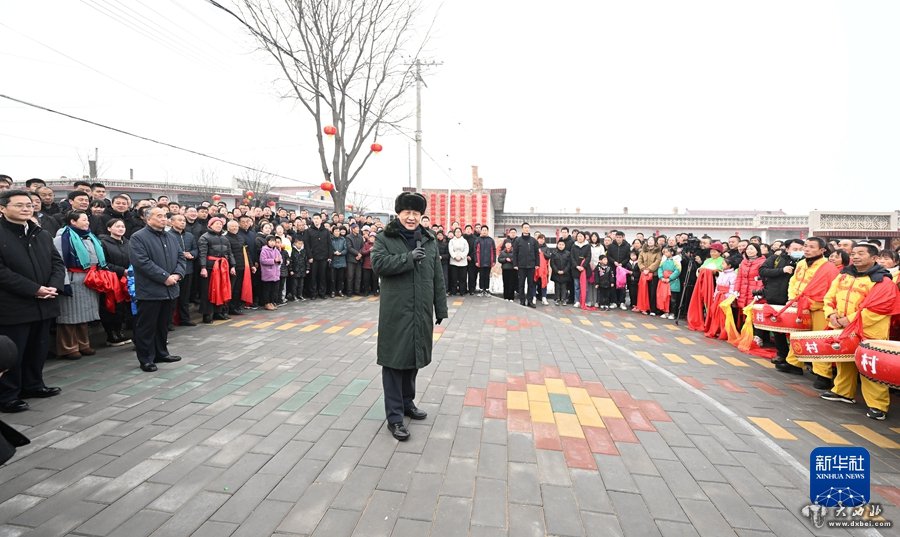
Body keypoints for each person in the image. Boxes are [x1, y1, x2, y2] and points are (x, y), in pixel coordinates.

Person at [371, 192, 447, 441]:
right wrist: (407, 259)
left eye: (416, 213)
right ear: (399, 214)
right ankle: (394, 418)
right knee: (394, 363)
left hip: (421, 310)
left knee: (413, 359)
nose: (412, 217)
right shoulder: (385, 238)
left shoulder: (428, 239)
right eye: (407, 213)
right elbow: (379, 264)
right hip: (396, 312)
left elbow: (437, 275)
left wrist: (440, 307)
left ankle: (407, 403)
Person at [0, 190, 65, 412]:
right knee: (13, 351)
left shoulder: (41, 233)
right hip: (13, 305)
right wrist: (34, 289)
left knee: (38, 348)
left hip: (44, 302)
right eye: (19, 205)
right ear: (2, 208)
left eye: (28, 205)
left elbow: (57, 263)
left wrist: (53, 286)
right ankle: (8, 395)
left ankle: (34, 384)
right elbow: (2, 273)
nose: (26, 209)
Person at [821, 243, 900, 420]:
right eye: (854, 253)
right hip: (842, 326)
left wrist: (847, 320)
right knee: (844, 360)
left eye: (861, 253)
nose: (855, 256)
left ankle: (878, 405)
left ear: (874, 258)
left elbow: (877, 310)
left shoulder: (883, 281)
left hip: (869, 332)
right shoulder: (843, 275)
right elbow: (829, 297)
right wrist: (831, 314)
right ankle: (843, 392)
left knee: (870, 366)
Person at [774, 237, 840, 389]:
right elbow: (794, 281)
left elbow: (831, 291)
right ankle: (794, 363)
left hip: (818, 307)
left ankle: (823, 374)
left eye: (811, 247)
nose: (807, 249)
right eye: (806, 246)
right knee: (797, 335)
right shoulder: (802, 263)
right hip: (799, 305)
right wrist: (792, 298)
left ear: (822, 250)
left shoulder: (829, 268)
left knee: (818, 340)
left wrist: (812, 303)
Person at [129, 207, 185, 372]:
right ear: (148, 219)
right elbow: (141, 262)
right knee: (147, 326)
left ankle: (161, 353)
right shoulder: (138, 237)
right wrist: (164, 277)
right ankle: (146, 358)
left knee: (163, 324)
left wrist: (177, 274)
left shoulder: (171, 237)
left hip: (171, 288)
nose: (163, 219)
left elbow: (181, 257)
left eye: (165, 216)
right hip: (150, 290)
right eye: (159, 216)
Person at [52, 211, 105, 359]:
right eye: (84, 219)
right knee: (69, 316)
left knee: (84, 315)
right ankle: (68, 347)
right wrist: (64, 283)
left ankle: (84, 344)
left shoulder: (89, 237)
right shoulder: (61, 238)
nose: (87, 222)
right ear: (73, 222)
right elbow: (58, 263)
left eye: (87, 219)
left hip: (89, 279)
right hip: (73, 278)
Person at [758, 239, 802, 362]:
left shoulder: (804, 262)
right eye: (795, 249)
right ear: (787, 249)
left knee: (796, 329)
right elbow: (762, 271)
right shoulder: (776, 258)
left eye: (800, 249)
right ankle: (782, 354)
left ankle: (797, 358)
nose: (798, 252)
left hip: (795, 300)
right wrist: (781, 270)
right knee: (777, 329)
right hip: (776, 297)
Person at [99, 218, 132, 346]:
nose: (120, 228)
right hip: (111, 279)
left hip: (127, 279)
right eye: (117, 226)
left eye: (122, 226)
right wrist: (121, 270)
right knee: (111, 306)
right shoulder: (103, 243)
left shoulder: (128, 243)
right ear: (109, 229)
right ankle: (111, 334)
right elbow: (103, 263)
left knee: (123, 307)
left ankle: (119, 332)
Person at [198, 217, 236, 323]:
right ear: (210, 225)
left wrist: (232, 265)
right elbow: (202, 254)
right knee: (208, 290)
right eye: (216, 224)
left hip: (222, 268)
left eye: (220, 224)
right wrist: (203, 267)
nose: (219, 225)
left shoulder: (225, 239)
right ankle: (207, 314)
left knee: (221, 289)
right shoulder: (204, 237)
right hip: (210, 268)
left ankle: (218, 312)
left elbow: (229, 253)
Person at [169, 214, 198, 326]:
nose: (182, 222)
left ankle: (185, 319)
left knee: (185, 297)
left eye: (184, 221)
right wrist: (181, 254)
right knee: (173, 298)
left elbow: (196, 249)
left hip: (188, 269)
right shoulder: (168, 235)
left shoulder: (189, 236)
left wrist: (192, 254)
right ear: (172, 222)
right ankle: (169, 322)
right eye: (179, 220)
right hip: (174, 270)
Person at [224, 220, 249, 314]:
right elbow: (228, 254)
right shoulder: (226, 238)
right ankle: (229, 308)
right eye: (232, 226)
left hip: (242, 265)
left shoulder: (241, 237)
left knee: (238, 288)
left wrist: (250, 265)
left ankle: (236, 306)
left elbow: (246, 252)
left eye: (236, 226)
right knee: (232, 288)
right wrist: (232, 266)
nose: (235, 228)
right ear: (228, 228)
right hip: (232, 267)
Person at [305, 213, 331, 299]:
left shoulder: (326, 231)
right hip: (313, 257)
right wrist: (310, 256)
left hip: (324, 257)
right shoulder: (308, 231)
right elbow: (307, 245)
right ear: (312, 220)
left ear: (321, 220)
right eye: (314, 218)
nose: (316, 220)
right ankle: (313, 293)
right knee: (313, 276)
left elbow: (329, 244)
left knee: (322, 276)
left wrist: (329, 256)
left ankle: (322, 293)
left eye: (317, 218)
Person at [258, 235, 283, 310]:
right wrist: (273, 261)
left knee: (274, 289)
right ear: (267, 242)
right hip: (267, 273)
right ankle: (267, 303)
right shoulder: (264, 250)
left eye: (274, 241)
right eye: (270, 241)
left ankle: (272, 302)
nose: (272, 243)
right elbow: (262, 260)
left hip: (275, 273)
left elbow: (280, 259)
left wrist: (279, 261)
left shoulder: (276, 250)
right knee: (267, 289)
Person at [657, 247, 681, 319]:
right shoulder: (663, 261)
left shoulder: (676, 261)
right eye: (664, 252)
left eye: (667, 252)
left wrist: (670, 278)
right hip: (664, 281)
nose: (665, 253)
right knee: (665, 298)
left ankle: (672, 313)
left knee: (673, 299)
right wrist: (661, 277)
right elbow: (660, 269)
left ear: (672, 253)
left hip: (673, 282)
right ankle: (666, 312)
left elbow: (678, 271)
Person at [474, 225, 496, 297]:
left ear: (487, 231)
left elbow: (494, 251)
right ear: (481, 231)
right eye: (483, 230)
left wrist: (494, 261)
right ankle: (481, 289)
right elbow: (475, 251)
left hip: (489, 261)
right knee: (481, 276)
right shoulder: (477, 240)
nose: (484, 231)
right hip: (480, 261)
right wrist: (476, 261)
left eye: (485, 230)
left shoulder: (491, 240)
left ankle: (486, 289)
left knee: (487, 276)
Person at [550, 240, 572, 306]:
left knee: (564, 287)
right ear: (557, 245)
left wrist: (564, 271)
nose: (561, 246)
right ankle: (557, 299)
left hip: (565, 273)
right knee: (557, 286)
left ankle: (563, 299)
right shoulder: (554, 253)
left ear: (564, 245)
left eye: (562, 244)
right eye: (559, 244)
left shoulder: (568, 253)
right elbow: (552, 263)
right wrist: (557, 270)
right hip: (556, 273)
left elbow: (569, 264)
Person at [448, 228, 469, 296]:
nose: (458, 233)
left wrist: (461, 257)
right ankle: (453, 291)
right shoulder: (451, 241)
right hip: (454, 262)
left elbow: (466, 250)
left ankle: (462, 291)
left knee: (462, 278)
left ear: (461, 233)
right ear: (454, 233)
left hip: (463, 262)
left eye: (459, 232)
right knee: (454, 278)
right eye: (456, 232)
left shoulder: (464, 241)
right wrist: (454, 257)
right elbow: (450, 250)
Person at [329, 225, 348, 298]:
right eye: (335, 231)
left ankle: (340, 291)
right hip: (333, 260)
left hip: (342, 260)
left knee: (341, 278)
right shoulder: (331, 239)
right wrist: (334, 252)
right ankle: (333, 291)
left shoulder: (343, 239)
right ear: (333, 232)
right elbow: (329, 248)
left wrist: (341, 253)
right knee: (333, 278)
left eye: (338, 231)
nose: (337, 232)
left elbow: (346, 249)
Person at [345, 223, 364, 296]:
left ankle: (357, 291)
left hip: (359, 259)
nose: (358, 229)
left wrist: (359, 254)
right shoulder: (348, 237)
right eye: (356, 228)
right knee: (350, 276)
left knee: (358, 277)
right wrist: (357, 253)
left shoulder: (360, 237)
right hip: (351, 259)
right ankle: (349, 292)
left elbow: (362, 247)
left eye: (358, 228)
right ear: (353, 229)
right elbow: (349, 248)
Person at [534, 233, 552, 305]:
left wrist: (542, 253)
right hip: (536, 268)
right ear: (537, 239)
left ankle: (544, 297)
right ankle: (534, 297)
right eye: (540, 239)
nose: (542, 240)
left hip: (544, 269)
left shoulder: (546, 248)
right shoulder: (534, 247)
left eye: (543, 239)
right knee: (534, 283)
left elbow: (548, 256)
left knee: (544, 283)